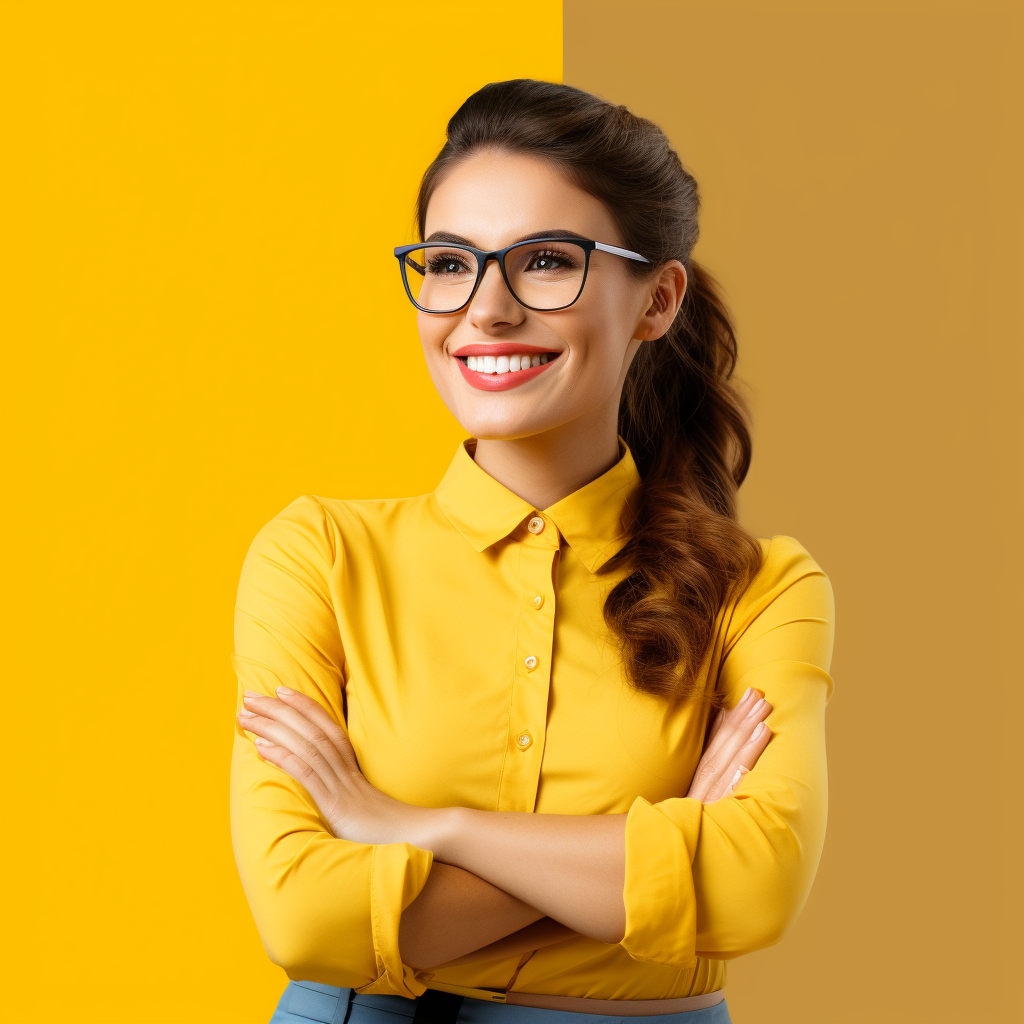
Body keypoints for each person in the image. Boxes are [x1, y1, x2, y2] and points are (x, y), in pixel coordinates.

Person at [230, 79, 834, 1024]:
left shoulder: (760, 590)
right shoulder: (317, 555)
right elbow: (307, 920)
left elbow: (757, 888)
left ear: (658, 299)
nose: (486, 310)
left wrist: (419, 829)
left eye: (547, 261)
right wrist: (665, 848)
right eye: (448, 263)